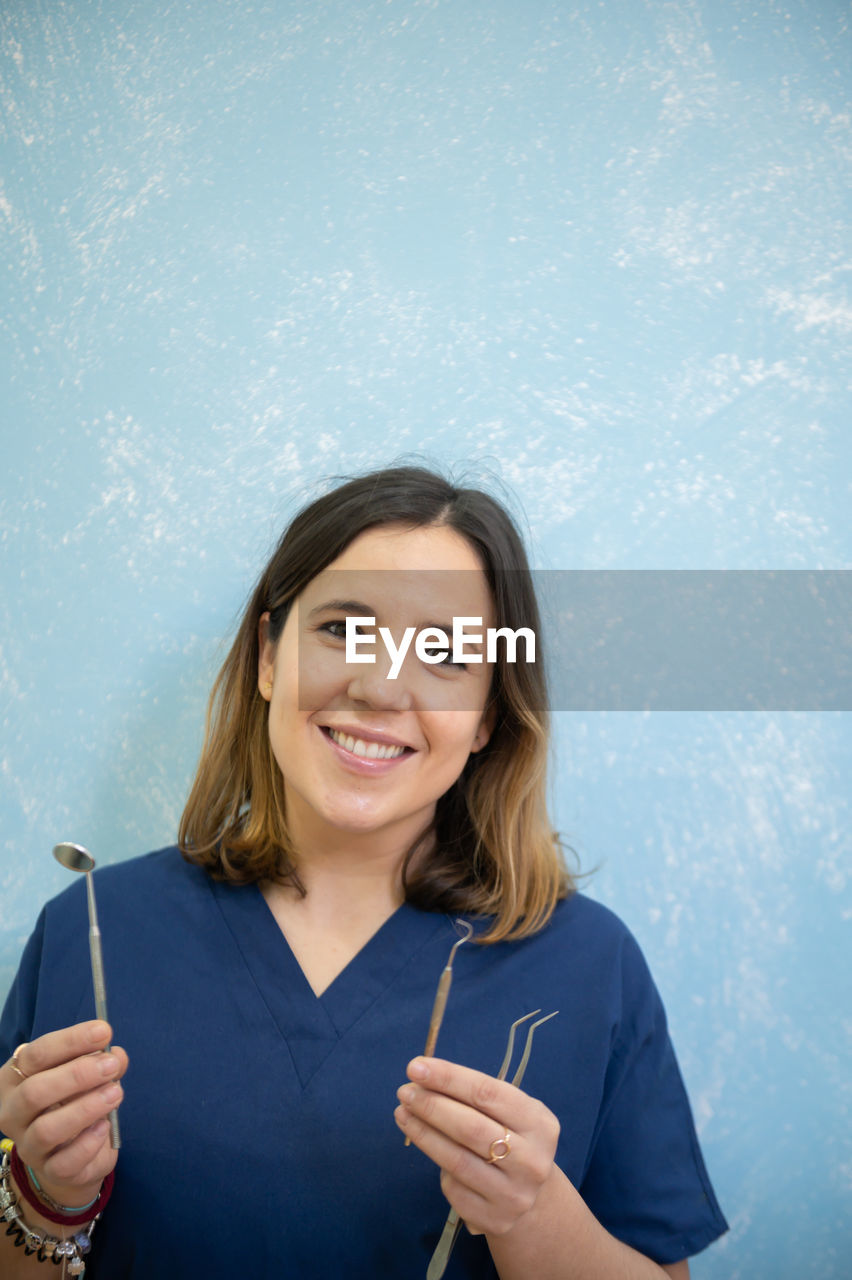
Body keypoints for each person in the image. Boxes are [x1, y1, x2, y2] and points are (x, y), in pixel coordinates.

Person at [0, 466, 728, 1278]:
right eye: (346, 631)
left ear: (487, 713)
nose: (383, 686)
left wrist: (532, 1214)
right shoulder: (91, 931)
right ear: (269, 656)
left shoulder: (589, 967)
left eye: (446, 654)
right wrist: (44, 1202)